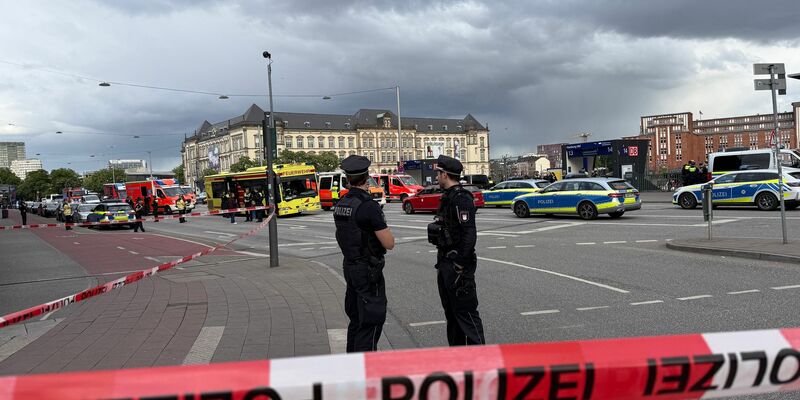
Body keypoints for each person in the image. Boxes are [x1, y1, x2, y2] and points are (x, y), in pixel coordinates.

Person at [334, 155, 395, 352]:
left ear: (347, 178)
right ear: (367, 177)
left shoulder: (342, 203)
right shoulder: (368, 206)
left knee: (356, 320)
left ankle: (352, 363)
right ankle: (365, 365)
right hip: (368, 271)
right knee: (370, 321)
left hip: (350, 266)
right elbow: (389, 243)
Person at [428, 154, 485, 346]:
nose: (437, 177)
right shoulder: (448, 196)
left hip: (457, 265)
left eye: (438, 173)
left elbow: (469, 233)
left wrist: (460, 262)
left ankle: (480, 358)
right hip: (445, 261)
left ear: (445, 174)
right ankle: (457, 356)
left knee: (466, 314)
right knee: (452, 314)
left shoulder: (461, 198)